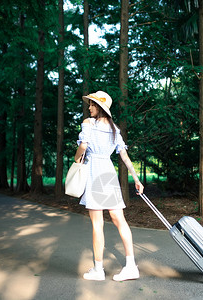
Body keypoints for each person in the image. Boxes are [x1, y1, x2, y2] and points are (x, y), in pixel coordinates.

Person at [74, 90, 144, 281]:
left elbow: (83, 145)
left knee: (97, 224)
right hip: (108, 174)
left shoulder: (89, 123)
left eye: (92, 104)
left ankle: (98, 270)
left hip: (95, 173)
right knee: (119, 220)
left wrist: (76, 157)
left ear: (100, 107)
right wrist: (136, 179)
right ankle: (131, 266)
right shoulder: (114, 129)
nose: (89, 107)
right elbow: (124, 156)